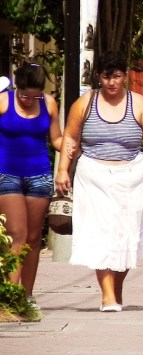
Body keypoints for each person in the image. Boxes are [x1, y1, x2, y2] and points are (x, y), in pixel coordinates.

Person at [55, 50, 143, 312]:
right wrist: (63, 171)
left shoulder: (139, 104)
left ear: (125, 76)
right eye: (106, 76)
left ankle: (116, 287)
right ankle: (107, 295)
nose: (111, 82)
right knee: (101, 234)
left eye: (117, 76)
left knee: (126, 235)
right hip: (94, 175)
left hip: (132, 176)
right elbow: (70, 138)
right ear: (98, 77)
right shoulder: (85, 103)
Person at [0, 62, 62, 309]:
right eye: (24, 94)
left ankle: (27, 294)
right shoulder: (4, 101)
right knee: (17, 234)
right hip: (7, 174)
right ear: (17, 87)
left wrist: (71, 145)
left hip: (39, 175)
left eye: (34, 94)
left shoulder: (48, 104)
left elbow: (56, 138)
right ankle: (11, 295)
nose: (28, 100)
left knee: (34, 238)